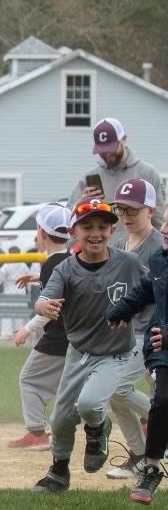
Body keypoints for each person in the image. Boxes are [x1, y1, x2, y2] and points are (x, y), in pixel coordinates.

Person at [31, 197, 145, 494]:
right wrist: (44, 307)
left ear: (112, 230)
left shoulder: (128, 264)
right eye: (87, 226)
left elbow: (153, 288)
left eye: (102, 226)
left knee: (90, 404)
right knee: (60, 418)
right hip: (79, 352)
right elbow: (43, 299)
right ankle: (58, 471)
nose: (95, 232)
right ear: (73, 231)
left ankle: (98, 428)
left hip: (116, 353)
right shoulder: (66, 270)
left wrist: (135, 312)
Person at [106, 214, 168, 504]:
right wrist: (121, 310)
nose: (164, 229)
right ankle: (151, 467)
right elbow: (145, 290)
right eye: (165, 222)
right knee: (162, 400)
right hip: (161, 348)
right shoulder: (160, 259)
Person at [104, 177, 159, 477]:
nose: (125, 216)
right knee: (113, 394)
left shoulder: (157, 247)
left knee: (119, 387)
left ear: (150, 210)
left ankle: (160, 427)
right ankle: (138, 454)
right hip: (122, 331)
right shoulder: (121, 244)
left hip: (148, 330)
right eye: (121, 209)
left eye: (133, 210)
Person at [9, 203, 73, 450]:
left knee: (29, 380)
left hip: (56, 336)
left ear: (43, 234)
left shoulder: (50, 264)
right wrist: (39, 278)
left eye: (38, 230)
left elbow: (50, 309)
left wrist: (28, 329)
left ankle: (37, 433)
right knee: (67, 385)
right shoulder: (71, 258)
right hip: (74, 336)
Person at [71, 117, 165, 243]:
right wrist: (81, 203)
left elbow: (160, 218)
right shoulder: (87, 178)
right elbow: (70, 221)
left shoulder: (148, 173)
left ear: (124, 139)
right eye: (103, 150)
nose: (108, 154)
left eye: (111, 148)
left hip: (141, 252)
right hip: (102, 254)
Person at [0, 245, 31, 338]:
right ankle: (18, 333)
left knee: (7, 313)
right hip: (20, 291)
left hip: (9, 291)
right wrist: (29, 291)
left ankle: (6, 334)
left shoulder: (6, 265)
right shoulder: (23, 265)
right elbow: (29, 278)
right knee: (18, 314)